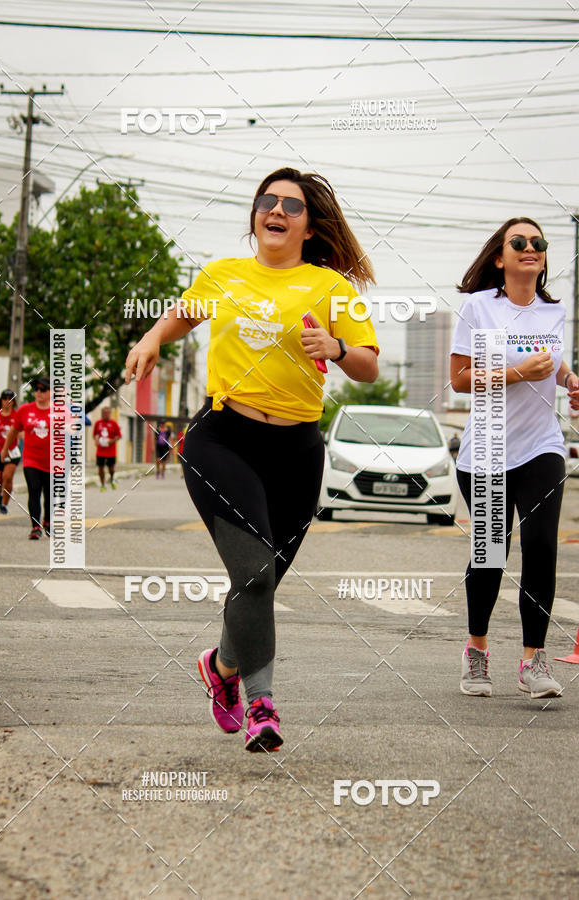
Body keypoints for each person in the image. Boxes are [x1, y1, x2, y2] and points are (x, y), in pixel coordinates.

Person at [125, 167, 379, 752]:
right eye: (269, 200)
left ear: (309, 227)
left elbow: (366, 363)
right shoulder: (223, 274)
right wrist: (151, 340)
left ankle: (220, 666)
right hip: (224, 438)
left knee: (255, 587)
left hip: (297, 451)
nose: (277, 210)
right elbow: (182, 314)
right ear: (256, 213)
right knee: (255, 576)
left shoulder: (330, 287)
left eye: (292, 205)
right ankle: (263, 704)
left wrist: (337, 348)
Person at [451, 217, 579, 699]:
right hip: (486, 450)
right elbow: (461, 379)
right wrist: (517, 373)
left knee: (543, 546)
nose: (531, 247)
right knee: (490, 555)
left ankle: (533, 661)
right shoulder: (478, 309)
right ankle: (477, 652)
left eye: (538, 242)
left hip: (541, 446)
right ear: (500, 258)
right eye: (519, 242)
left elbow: (554, 359)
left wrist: (569, 381)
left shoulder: (555, 313)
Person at [1, 376, 53, 540]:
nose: (38, 392)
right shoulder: (25, 410)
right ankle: (35, 526)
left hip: (53, 462)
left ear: (51, 392)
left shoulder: (59, 411)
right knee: (34, 489)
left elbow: (72, 429)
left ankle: (48, 522)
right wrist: (5, 449)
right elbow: (13, 431)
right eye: (36, 389)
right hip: (31, 459)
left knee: (50, 494)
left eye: (43, 389)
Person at [92, 407, 122, 490]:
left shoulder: (114, 423)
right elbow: (95, 435)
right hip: (100, 451)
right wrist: (96, 440)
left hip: (111, 451)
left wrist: (112, 440)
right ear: (102, 414)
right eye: (105, 413)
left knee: (111, 468)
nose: (106, 415)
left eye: (108, 413)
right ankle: (103, 484)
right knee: (100, 468)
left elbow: (119, 435)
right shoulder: (98, 423)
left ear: (110, 414)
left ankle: (112, 479)